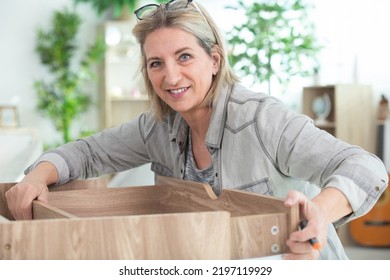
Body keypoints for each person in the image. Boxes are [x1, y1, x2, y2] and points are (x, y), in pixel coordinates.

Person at [5, 0, 388, 260]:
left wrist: (319, 212)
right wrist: (37, 176)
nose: (170, 76)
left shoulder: (261, 119)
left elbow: (365, 167)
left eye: (184, 56)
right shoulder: (157, 127)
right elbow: (86, 153)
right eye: (156, 63)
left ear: (215, 60)